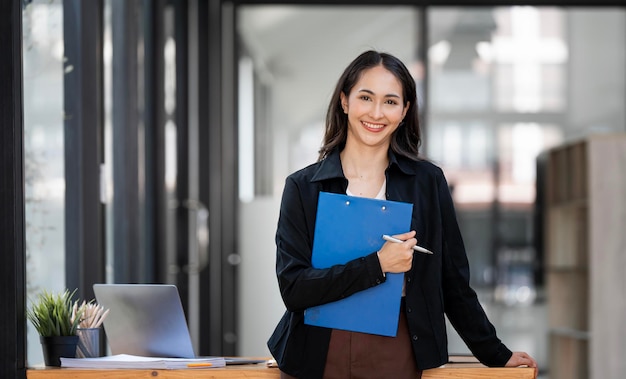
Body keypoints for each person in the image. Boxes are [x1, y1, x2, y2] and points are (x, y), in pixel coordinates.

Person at [267, 50, 537, 379]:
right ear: (345, 101)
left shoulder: (427, 183)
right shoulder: (303, 187)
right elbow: (294, 289)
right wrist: (378, 264)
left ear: (405, 110)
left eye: (391, 101)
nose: (376, 113)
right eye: (365, 97)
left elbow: (451, 280)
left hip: (397, 345)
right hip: (318, 348)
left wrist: (495, 352)